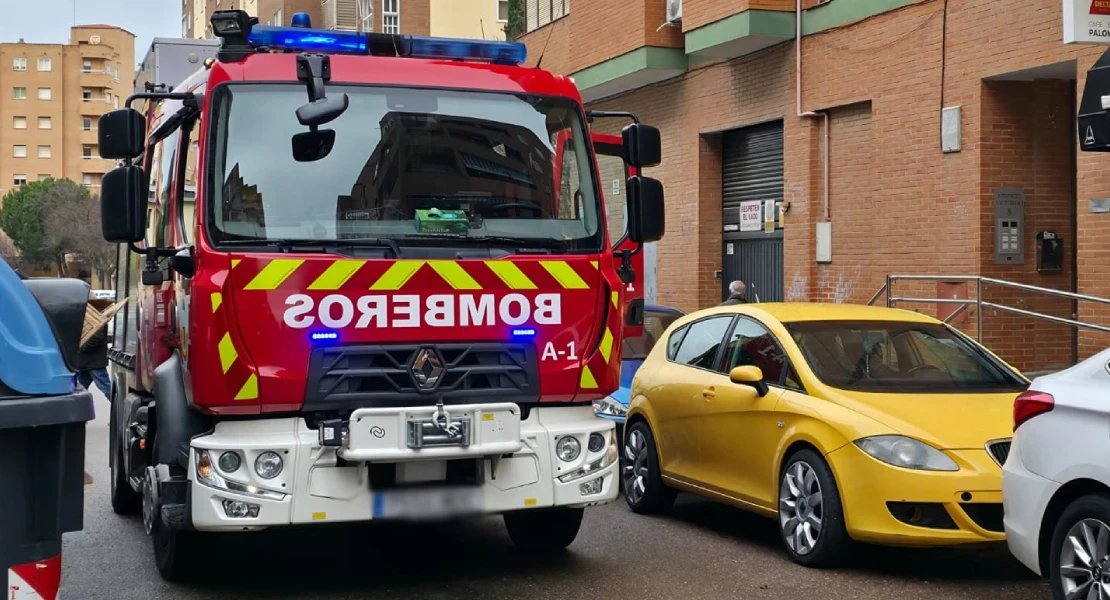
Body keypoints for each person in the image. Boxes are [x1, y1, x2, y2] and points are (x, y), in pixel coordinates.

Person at [76, 271, 111, 400]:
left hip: (93, 361)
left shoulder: (95, 314)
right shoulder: (88, 313)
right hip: (85, 361)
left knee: (106, 387)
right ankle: (76, 416)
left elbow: (96, 337)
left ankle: (121, 411)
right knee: (79, 390)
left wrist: (80, 347)